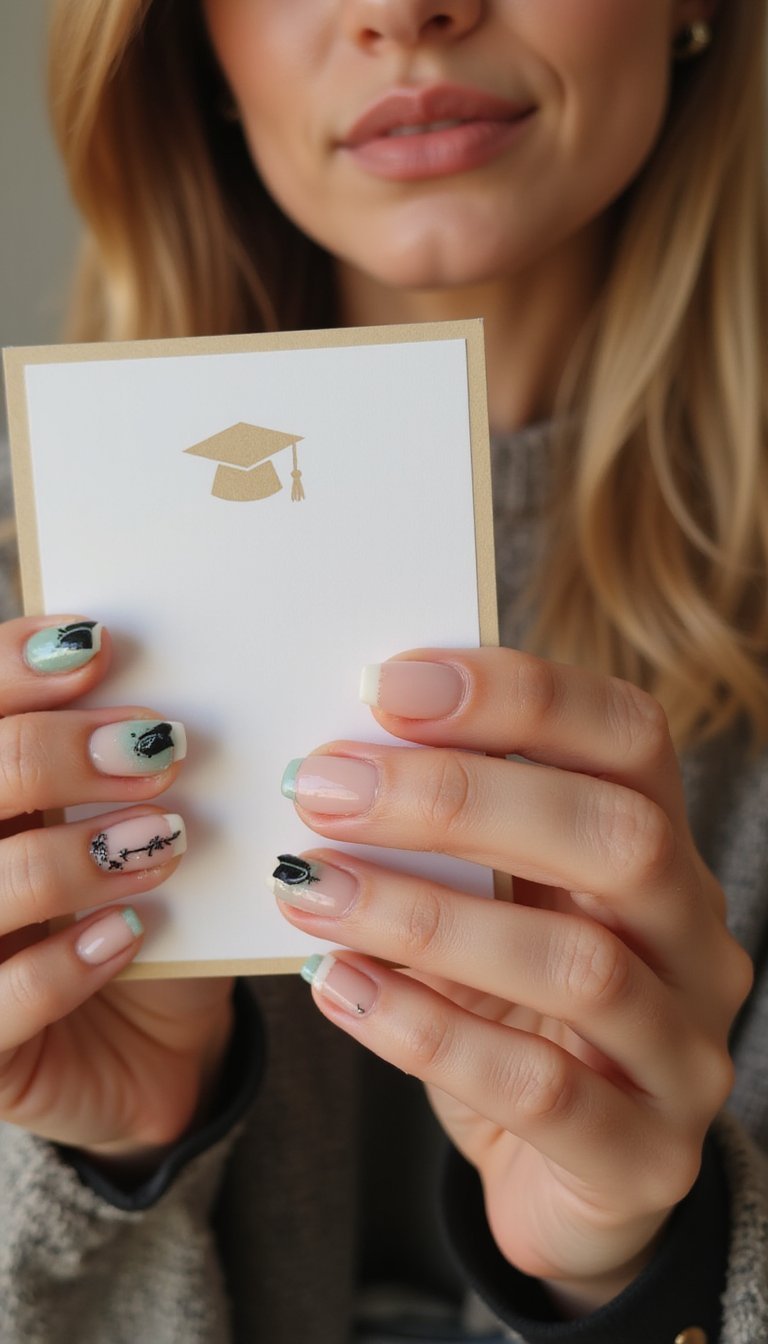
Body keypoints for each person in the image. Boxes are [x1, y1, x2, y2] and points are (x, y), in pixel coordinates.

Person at [0, 1, 766, 1340]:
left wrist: (640, 1267)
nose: (405, 12)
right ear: (190, 46)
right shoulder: (31, 660)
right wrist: (105, 1170)